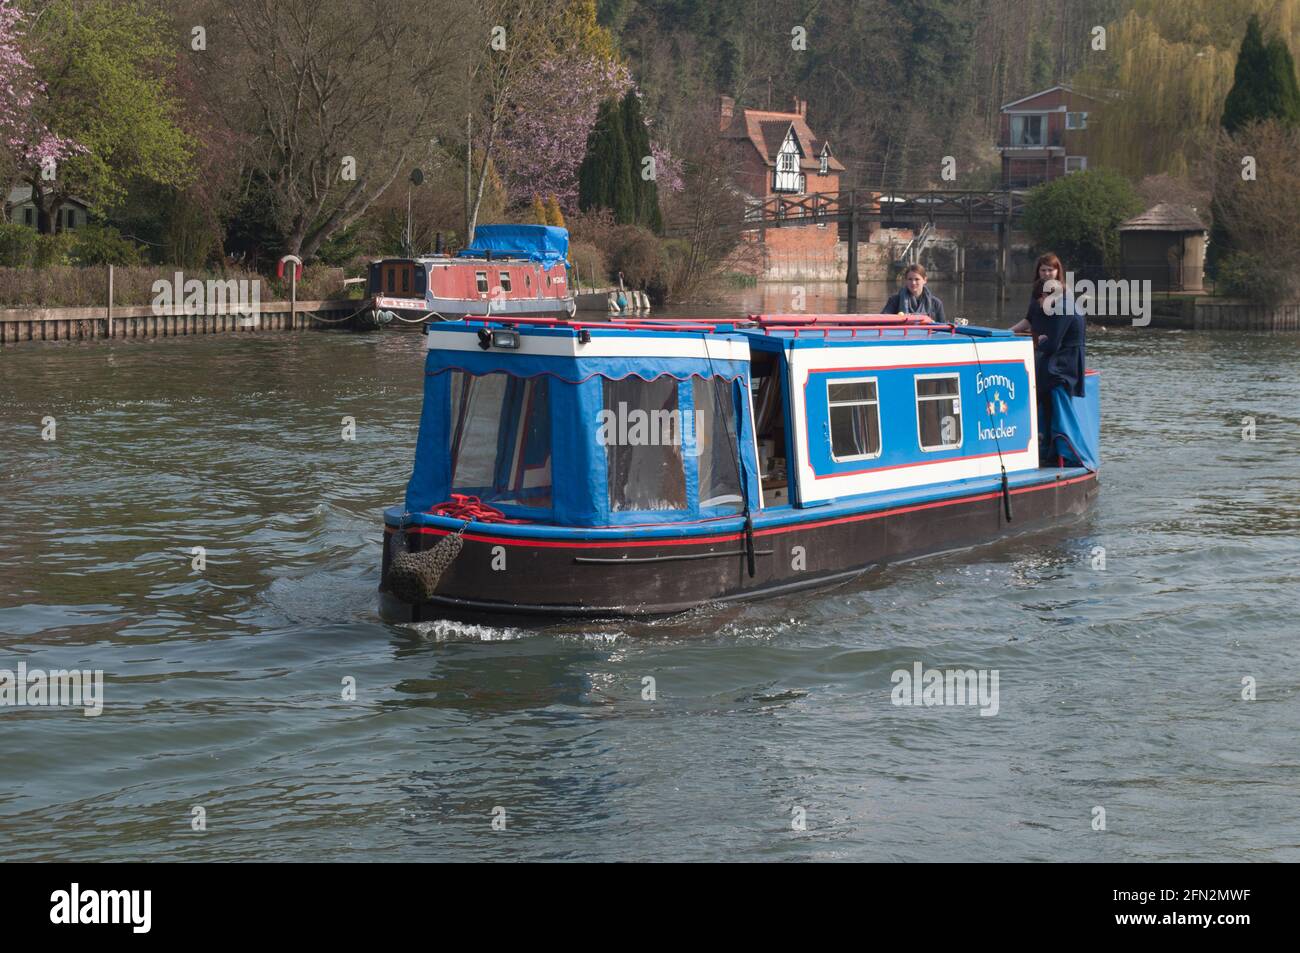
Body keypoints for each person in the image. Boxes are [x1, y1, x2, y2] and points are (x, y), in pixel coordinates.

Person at [1012, 253, 1086, 464]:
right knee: (1040, 390)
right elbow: (1029, 319)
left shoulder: (1063, 300)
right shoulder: (1039, 293)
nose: (1046, 274)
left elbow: (1054, 342)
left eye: (1050, 270)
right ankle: (1042, 444)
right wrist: (1007, 332)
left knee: (1048, 389)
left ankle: (1055, 449)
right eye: (1043, 270)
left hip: (1064, 360)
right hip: (1051, 354)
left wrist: (1038, 340)